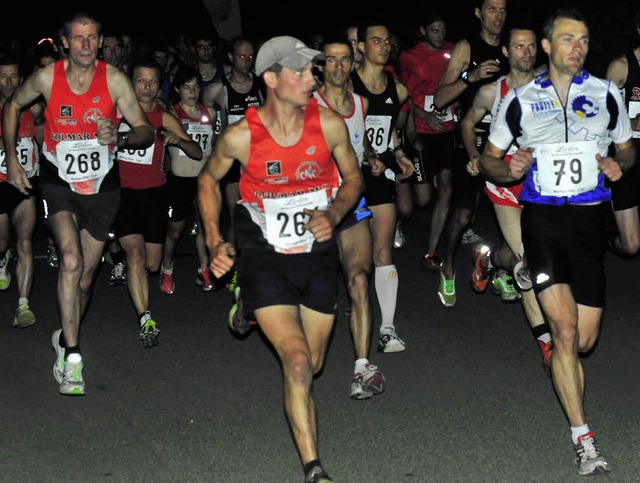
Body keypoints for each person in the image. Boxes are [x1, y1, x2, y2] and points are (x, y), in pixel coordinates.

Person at [198, 35, 363, 483]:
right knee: (295, 362)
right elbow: (208, 181)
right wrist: (215, 241)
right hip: (263, 248)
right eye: (301, 71)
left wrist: (333, 212)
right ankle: (315, 470)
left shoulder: (329, 125)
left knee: (315, 363)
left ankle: (246, 305)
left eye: (313, 69)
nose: (313, 77)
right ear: (270, 78)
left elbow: (353, 178)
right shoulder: (240, 135)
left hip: (316, 248)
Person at [479, 8, 635, 475]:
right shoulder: (521, 100)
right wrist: (509, 169)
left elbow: (627, 147)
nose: (578, 48)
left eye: (584, 40)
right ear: (548, 46)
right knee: (563, 333)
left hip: (590, 223)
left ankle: (497, 262)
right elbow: (489, 160)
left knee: (584, 340)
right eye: (568, 39)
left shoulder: (607, 94)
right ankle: (583, 439)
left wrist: (617, 164)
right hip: (543, 219)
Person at [2, 11, 155, 395]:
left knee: (85, 277)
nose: (86, 44)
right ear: (65, 43)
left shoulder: (115, 80)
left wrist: (118, 138)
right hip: (58, 182)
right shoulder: (47, 78)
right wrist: (14, 159)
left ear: (100, 42)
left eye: (92, 37)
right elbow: (11, 106)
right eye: (78, 37)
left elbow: (146, 132)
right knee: (69, 261)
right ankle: (72, 357)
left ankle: (65, 335)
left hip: (103, 186)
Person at [461, 26, 552, 372]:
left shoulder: (551, 86)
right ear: (505, 52)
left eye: (531, 47)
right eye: (519, 47)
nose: (526, 52)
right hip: (503, 184)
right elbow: (467, 122)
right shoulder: (490, 92)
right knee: (527, 264)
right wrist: (473, 155)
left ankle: (488, 262)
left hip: (541, 185)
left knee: (524, 258)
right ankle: (546, 342)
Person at [313, 37, 385, 399]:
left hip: (353, 204)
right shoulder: (307, 106)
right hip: (314, 209)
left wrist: (371, 157)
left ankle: (362, 368)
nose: (340, 67)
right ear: (321, 66)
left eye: (346, 61)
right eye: (332, 61)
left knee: (359, 280)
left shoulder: (361, 102)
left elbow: (358, 142)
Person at [115, 58, 202, 348]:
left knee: (152, 264)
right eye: (141, 80)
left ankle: (134, 274)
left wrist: (177, 142)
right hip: (122, 194)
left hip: (154, 195)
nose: (147, 87)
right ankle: (145, 317)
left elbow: (197, 151)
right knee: (136, 256)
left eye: (153, 81)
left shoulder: (164, 117)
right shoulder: (116, 112)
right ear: (131, 82)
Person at [433, 0, 508, 307]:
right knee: (464, 213)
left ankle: (503, 268)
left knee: (510, 209)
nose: (498, 16)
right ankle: (447, 267)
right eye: (491, 9)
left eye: (503, 10)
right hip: (471, 140)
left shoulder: (512, 46)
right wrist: (470, 78)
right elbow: (439, 99)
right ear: (478, 12)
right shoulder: (466, 47)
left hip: (505, 142)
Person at [351, 21, 414, 353]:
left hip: (381, 175)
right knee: (350, 259)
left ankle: (387, 328)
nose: (383, 46)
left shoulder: (398, 90)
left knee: (383, 251)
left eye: (387, 41)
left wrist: (400, 155)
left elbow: (389, 131)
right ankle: (354, 300)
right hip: (347, 178)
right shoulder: (347, 85)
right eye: (375, 40)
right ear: (361, 46)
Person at [202, 35, 265, 327]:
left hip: (255, 161)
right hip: (229, 159)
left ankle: (247, 262)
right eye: (242, 56)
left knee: (252, 215)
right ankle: (235, 264)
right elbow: (204, 119)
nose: (247, 61)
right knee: (234, 210)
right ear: (230, 57)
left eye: (251, 57)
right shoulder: (217, 90)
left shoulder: (262, 88)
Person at [397, 11, 455, 273]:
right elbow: (403, 95)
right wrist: (423, 115)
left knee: (446, 188)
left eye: (443, 31)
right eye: (434, 31)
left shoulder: (454, 51)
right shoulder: (409, 57)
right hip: (420, 131)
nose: (440, 36)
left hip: (446, 129)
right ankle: (396, 218)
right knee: (422, 199)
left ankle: (431, 251)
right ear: (423, 31)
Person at [160, 64, 216, 295]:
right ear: (177, 89)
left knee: (204, 227)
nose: (192, 92)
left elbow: (215, 146)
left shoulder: (209, 114)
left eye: (195, 87)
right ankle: (166, 268)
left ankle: (203, 270)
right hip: (179, 181)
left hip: (203, 180)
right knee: (175, 231)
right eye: (186, 87)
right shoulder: (172, 115)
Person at [0, 56, 44, 327]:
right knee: (3, 242)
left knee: (25, 241)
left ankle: (23, 306)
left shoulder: (33, 110)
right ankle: (3, 256)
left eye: (13, 76)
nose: (8, 82)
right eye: (3, 76)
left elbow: (45, 143)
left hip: (25, 185)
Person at [604, 8, 640, 257]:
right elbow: (600, 116)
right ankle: (607, 240)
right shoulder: (621, 66)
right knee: (631, 246)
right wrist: (632, 123)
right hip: (628, 157)